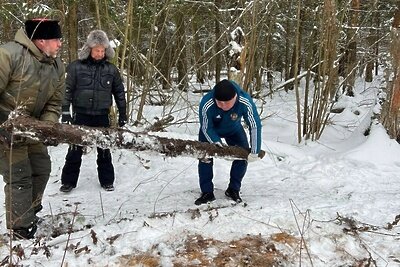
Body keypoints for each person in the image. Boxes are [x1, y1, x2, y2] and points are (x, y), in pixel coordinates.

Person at [0, 19, 64, 239]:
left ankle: (29, 211)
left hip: (32, 129)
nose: (60, 45)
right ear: (41, 40)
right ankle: (20, 229)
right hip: (5, 131)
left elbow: (54, 103)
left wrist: (46, 127)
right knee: (19, 177)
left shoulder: (56, 65)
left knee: (42, 168)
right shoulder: (9, 55)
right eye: (57, 40)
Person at [60, 30, 127, 193]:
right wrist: (65, 111)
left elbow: (119, 92)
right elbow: (66, 90)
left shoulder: (111, 69)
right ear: (89, 49)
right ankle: (68, 182)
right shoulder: (76, 67)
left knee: (104, 150)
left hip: (102, 115)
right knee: (75, 150)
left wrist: (123, 113)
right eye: (97, 50)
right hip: (80, 114)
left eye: (103, 50)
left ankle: (107, 181)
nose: (100, 53)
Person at [195, 79, 262, 205]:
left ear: (235, 97)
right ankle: (207, 192)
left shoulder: (244, 100)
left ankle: (233, 189)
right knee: (205, 158)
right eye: (219, 103)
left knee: (243, 157)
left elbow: (254, 125)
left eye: (227, 103)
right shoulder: (206, 102)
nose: (223, 106)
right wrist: (215, 142)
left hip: (234, 130)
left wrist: (255, 150)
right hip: (210, 132)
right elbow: (206, 127)